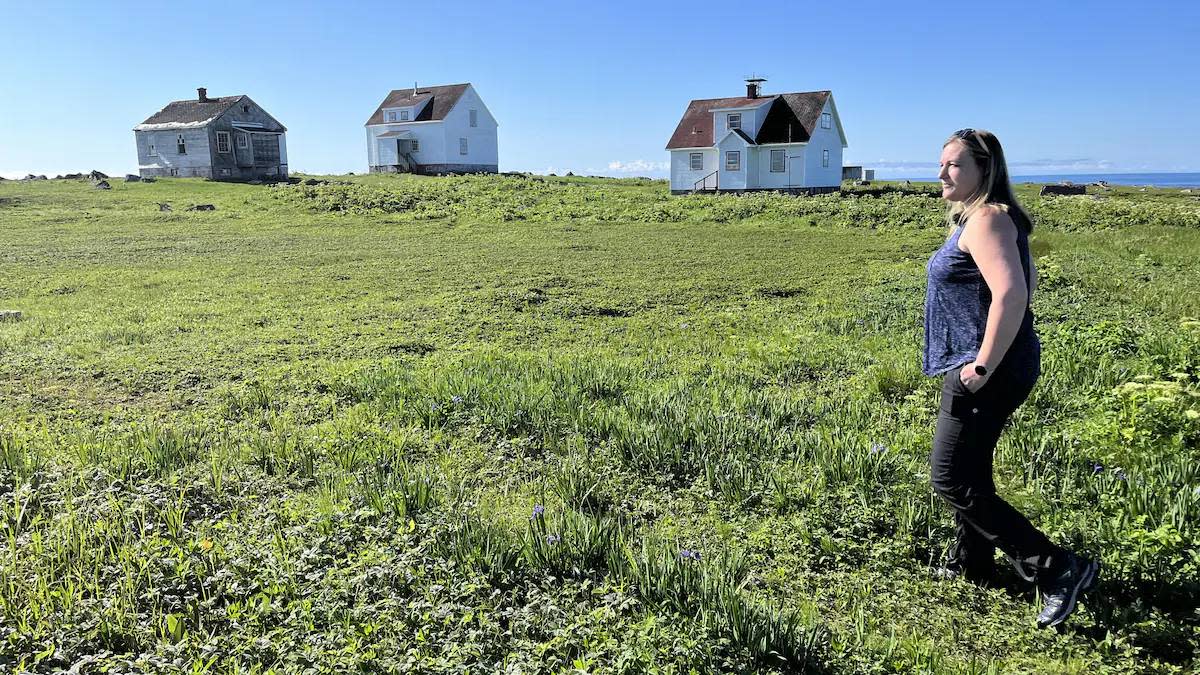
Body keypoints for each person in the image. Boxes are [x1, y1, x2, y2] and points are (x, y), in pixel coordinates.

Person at [925, 128, 1099, 629]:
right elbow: (1024, 282)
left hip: (988, 368)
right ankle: (972, 562)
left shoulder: (986, 220)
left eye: (954, 165)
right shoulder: (991, 219)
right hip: (992, 362)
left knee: (951, 476)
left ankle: (1059, 569)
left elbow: (1011, 297)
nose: (942, 173)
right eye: (942, 164)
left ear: (985, 169)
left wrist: (982, 364)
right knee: (971, 468)